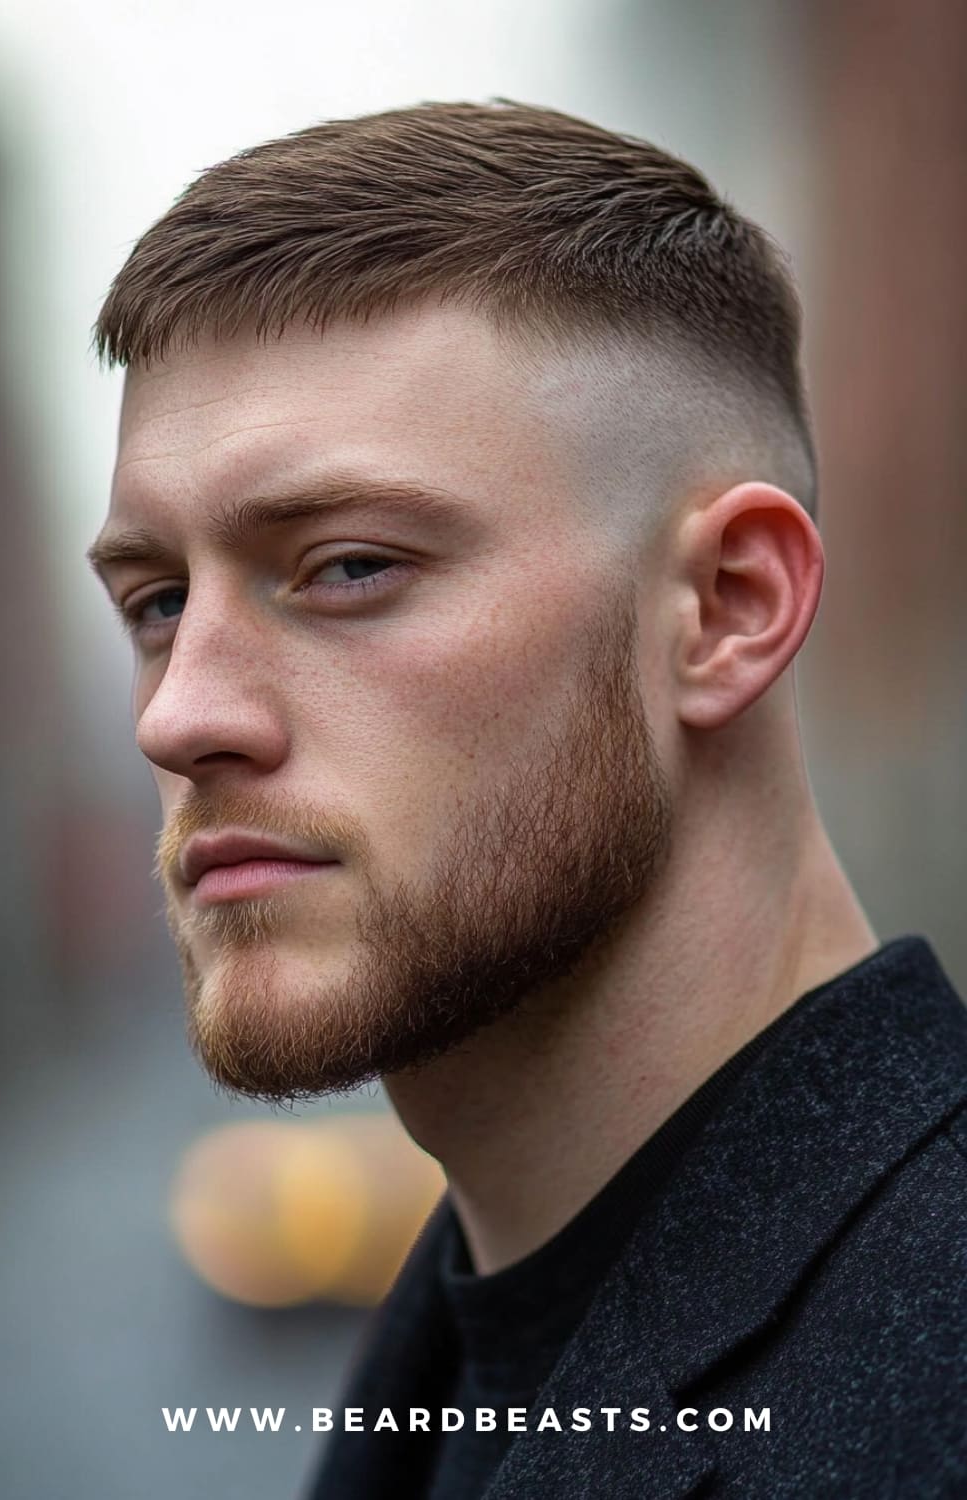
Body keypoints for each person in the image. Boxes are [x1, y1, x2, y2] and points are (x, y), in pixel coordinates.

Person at [86, 101, 967, 1498]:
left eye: (350, 567)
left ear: (727, 607)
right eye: (156, 600)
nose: (179, 716)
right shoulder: (447, 1365)